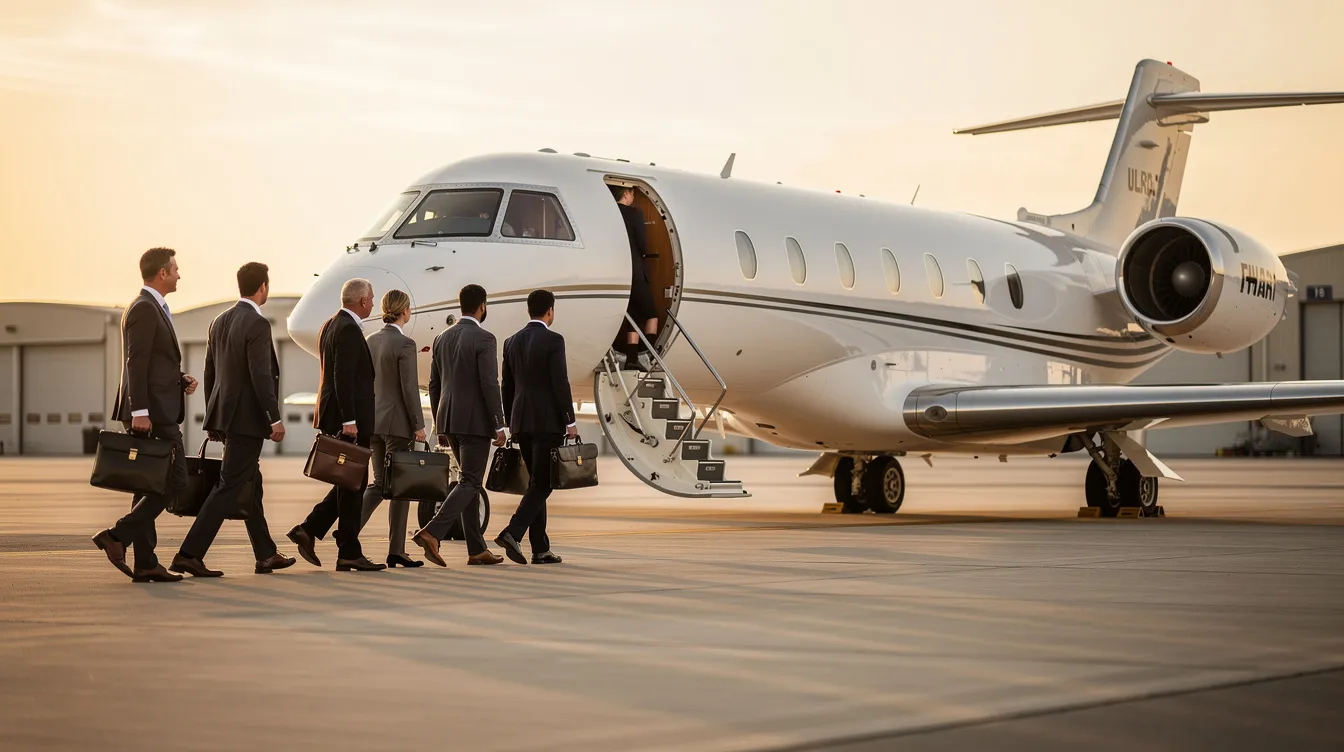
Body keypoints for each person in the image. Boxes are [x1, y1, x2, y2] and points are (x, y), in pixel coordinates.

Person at [172, 263, 296, 577]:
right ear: (263, 287)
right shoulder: (257, 323)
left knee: (250, 483)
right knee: (229, 485)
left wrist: (215, 419)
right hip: (247, 420)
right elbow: (261, 376)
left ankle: (266, 554)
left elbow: (209, 372)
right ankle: (189, 553)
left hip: (227, 417)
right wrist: (274, 418)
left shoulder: (219, 321)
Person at [91, 247, 196, 583]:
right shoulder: (144, 308)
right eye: (176, 269)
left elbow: (153, 362)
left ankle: (146, 562)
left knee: (147, 484)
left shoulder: (153, 308)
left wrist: (180, 379)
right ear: (162, 273)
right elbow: (135, 362)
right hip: (151, 413)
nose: (180, 274)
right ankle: (116, 536)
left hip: (156, 407)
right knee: (175, 480)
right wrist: (140, 411)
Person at [287, 278, 386, 572]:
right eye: (371, 297)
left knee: (350, 480)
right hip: (349, 420)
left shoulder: (331, 324)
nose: (372, 302)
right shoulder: (348, 330)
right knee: (353, 482)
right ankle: (348, 551)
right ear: (362, 301)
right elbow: (342, 377)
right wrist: (350, 421)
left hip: (341, 416)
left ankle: (311, 530)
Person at [410, 284, 504, 568]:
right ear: (482, 306)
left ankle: (476, 549)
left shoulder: (442, 338)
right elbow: (489, 383)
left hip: (449, 419)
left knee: (468, 483)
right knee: (471, 482)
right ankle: (431, 532)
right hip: (475, 422)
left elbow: (434, 384)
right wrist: (499, 424)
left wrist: (440, 423)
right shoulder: (485, 338)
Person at [495, 289, 576, 565]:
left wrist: (509, 421)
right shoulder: (554, 340)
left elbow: (506, 385)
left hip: (521, 422)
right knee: (543, 483)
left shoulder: (511, 342)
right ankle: (512, 532)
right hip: (547, 423)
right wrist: (570, 421)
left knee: (535, 482)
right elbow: (560, 383)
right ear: (550, 311)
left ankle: (540, 549)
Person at [356, 289, 426, 568]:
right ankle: (396, 549)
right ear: (404, 310)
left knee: (379, 483)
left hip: (373, 423)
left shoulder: (369, 341)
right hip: (397, 425)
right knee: (400, 488)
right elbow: (409, 389)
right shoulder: (405, 344)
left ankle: (349, 530)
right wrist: (418, 425)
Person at [610, 184, 657, 370]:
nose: (633, 199)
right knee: (651, 315)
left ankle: (631, 359)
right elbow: (642, 244)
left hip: (617, 274)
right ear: (626, 193)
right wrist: (645, 254)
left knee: (633, 316)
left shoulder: (610, 213)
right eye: (632, 195)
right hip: (636, 273)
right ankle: (650, 356)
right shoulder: (634, 213)